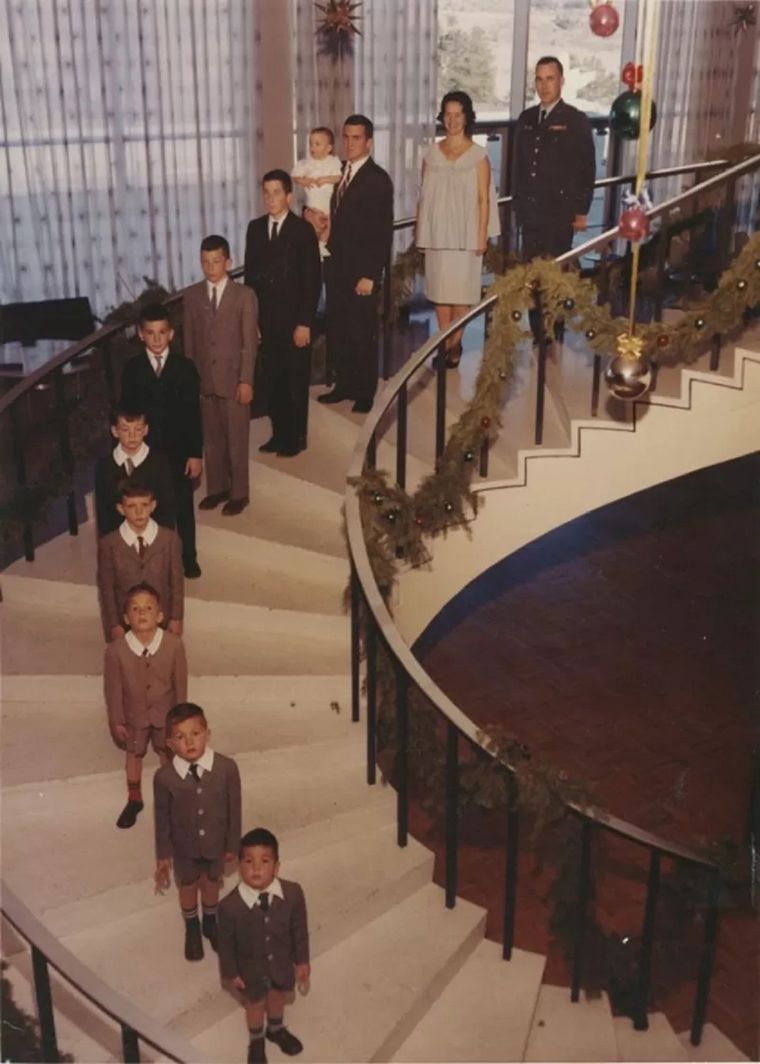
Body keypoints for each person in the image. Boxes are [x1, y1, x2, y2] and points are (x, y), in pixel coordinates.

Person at [416, 90, 500, 368]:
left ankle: (455, 344)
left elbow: (483, 198)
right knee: (440, 291)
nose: (452, 120)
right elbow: (424, 196)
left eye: (458, 114)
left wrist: (481, 237)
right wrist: (421, 233)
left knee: (461, 292)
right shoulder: (431, 154)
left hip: (466, 235)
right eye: (448, 115)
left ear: (467, 117)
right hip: (438, 234)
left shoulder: (478, 157)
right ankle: (444, 341)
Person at [120, 302, 203, 578]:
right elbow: (127, 414)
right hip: (146, 453)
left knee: (182, 507)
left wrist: (195, 454)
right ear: (141, 335)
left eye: (162, 332)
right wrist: (128, 452)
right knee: (151, 508)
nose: (156, 339)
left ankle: (188, 557)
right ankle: (156, 560)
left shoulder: (185, 368)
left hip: (179, 452)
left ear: (171, 334)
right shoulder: (132, 370)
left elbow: (193, 414)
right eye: (150, 333)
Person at [318, 114, 394, 414]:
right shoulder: (340, 173)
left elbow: (382, 232)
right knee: (340, 327)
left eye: (356, 138)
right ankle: (345, 384)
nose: (350, 143)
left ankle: (364, 390)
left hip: (361, 271)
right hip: (337, 267)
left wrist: (371, 275)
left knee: (362, 330)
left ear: (369, 142)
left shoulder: (377, 179)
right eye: (346, 137)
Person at [154, 702, 242, 962]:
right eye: (180, 737)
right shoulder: (164, 777)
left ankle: (210, 923)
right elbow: (161, 817)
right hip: (184, 848)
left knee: (211, 883)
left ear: (208, 733)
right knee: (189, 885)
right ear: (170, 744)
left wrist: (232, 846)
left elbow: (234, 809)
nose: (189, 742)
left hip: (216, 843)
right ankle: (192, 927)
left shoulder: (227, 768)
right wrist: (163, 854)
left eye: (196, 733)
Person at [244, 170, 321, 457]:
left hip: (294, 321)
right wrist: (252, 320)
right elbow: (250, 277)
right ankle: (278, 433)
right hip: (266, 320)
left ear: (289, 196)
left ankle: (296, 437)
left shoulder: (302, 231)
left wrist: (304, 322)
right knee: (272, 379)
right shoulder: (254, 228)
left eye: (276, 192)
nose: (270, 198)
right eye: (266, 193)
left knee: (295, 379)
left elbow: (312, 281)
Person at [218, 827, 310, 1064]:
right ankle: (257, 1039)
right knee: (256, 1004)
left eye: (265, 861)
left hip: (280, 964)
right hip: (250, 970)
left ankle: (276, 1029)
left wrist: (302, 961)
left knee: (277, 997)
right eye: (249, 861)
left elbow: (299, 931)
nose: (256, 868)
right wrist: (230, 973)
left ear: (277, 866)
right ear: (239, 866)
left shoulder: (292, 893)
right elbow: (226, 945)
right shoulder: (230, 906)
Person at [183, 235, 258, 516]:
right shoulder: (192, 296)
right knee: (211, 438)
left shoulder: (244, 295)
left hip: (234, 379)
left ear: (228, 262)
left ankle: (239, 492)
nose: (210, 267)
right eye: (205, 262)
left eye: (216, 262)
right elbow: (190, 342)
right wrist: (191, 381)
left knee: (236, 438)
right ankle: (217, 488)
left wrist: (246, 380)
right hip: (205, 381)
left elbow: (249, 343)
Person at [104, 582, 187, 830]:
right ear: (126, 618)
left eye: (148, 608)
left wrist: (181, 718)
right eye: (135, 609)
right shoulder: (116, 651)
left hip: (166, 714)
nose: (142, 613)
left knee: (166, 752)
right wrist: (117, 719)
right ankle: (134, 798)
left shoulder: (174, 645)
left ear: (160, 616)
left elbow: (180, 683)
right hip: (134, 715)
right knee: (134, 753)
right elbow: (113, 689)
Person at [513, 56, 596, 262]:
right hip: (530, 214)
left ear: (561, 81)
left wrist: (581, 211)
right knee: (529, 274)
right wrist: (519, 207)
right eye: (539, 79)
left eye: (550, 78)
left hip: (559, 213)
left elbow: (587, 168)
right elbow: (518, 166)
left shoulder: (575, 120)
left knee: (555, 276)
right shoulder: (527, 118)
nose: (544, 85)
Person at [97, 482, 184, 642]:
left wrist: (176, 617)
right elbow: (107, 588)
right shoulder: (109, 544)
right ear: (121, 509)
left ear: (153, 505)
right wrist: (113, 624)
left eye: (144, 505)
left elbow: (176, 582)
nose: (139, 512)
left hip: (161, 619)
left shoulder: (169, 539)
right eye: (131, 506)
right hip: (126, 622)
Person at [94, 404, 175, 536]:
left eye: (138, 429)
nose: (132, 436)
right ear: (115, 431)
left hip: (153, 539)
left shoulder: (160, 463)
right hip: (120, 542)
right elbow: (103, 514)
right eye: (125, 430)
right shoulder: (104, 466)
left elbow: (167, 510)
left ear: (146, 430)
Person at [292, 126, 342, 258]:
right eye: (311, 143)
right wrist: (306, 181)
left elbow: (338, 177)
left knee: (329, 226)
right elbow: (296, 177)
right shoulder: (306, 163)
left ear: (328, 148)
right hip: (312, 206)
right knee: (311, 229)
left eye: (317, 144)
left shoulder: (333, 162)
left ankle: (322, 245)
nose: (312, 147)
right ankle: (315, 248)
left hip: (328, 206)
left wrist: (325, 179)